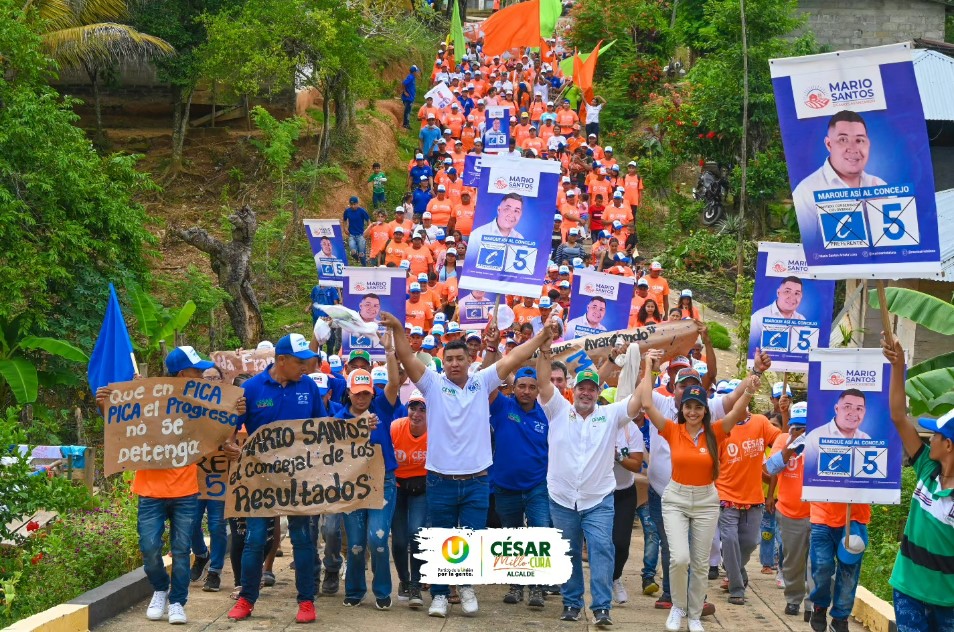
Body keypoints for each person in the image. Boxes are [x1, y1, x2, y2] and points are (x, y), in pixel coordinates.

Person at [379, 310, 551, 618]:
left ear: (468, 360)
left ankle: (468, 587)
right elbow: (406, 356)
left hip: (476, 480)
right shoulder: (432, 385)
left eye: (460, 359)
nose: (455, 364)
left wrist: (542, 336)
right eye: (450, 360)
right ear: (443, 363)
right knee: (443, 537)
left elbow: (515, 358)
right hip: (440, 480)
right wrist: (395, 328)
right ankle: (441, 596)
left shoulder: (482, 382)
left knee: (471, 538)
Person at [95, 346, 241, 625]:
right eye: (197, 371)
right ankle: (161, 588)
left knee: (182, 551)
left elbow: (221, 435)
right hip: (149, 491)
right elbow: (121, 426)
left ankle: (177, 601)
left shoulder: (201, 404)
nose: (202, 375)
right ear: (182, 373)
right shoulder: (147, 397)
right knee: (149, 549)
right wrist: (105, 403)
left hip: (186, 491)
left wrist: (235, 411)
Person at [638, 351, 760, 632]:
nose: (692, 411)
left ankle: (694, 614)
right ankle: (678, 607)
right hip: (676, 499)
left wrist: (752, 385)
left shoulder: (716, 431)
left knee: (701, 563)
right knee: (680, 558)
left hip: (706, 500)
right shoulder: (671, 430)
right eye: (688, 406)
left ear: (705, 410)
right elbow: (646, 401)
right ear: (682, 409)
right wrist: (648, 366)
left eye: (698, 407)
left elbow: (738, 408)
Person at [536, 332, 651, 627]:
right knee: (569, 551)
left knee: (602, 548)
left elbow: (639, 400)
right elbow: (542, 382)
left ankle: (602, 607)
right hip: (562, 499)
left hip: (599, 500)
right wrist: (544, 352)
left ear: (598, 391)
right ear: (573, 390)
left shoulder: (611, 415)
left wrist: (646, 367)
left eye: (592, 388)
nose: (586, 393)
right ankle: (572, 603)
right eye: (582, 388)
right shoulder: (557, 410)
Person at [226, 334, 330, 624]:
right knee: (255, 539)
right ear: (281, 360)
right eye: (299, 362)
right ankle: (247, 598)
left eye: (306, 362)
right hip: (260, 479)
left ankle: (307, 602)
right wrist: (231, 444)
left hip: (299, 479)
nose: (304, 367)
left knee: (303, 539)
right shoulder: (251, 388)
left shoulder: (308, 386)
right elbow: (229, 433)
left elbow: (322, 428)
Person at [882, 337, 954, 632]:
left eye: (935, 435)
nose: (929, 437)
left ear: (948, 445)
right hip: (908, 589)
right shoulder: (927, 466)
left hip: (948, 602)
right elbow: (899, 416)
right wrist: (898, 367)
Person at [333, 338, 400, 610]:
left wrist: (389, 351)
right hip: (352, 486)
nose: (361, 398)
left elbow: (395, 382)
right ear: (348, 392)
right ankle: (355, 588)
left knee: (379, 538)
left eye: (366, 393)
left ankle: (383, 589)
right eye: (357, 392)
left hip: (383, 482)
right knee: (357, 543)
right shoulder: (338, 420)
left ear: (373, 393)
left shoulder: (382, 408)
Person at [488, 366, 551, 610]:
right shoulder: (503, 406)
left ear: (538, 391)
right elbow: (490, 377)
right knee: (511, 537)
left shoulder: (546, 414)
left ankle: (537, 587)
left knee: (540, 534)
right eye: (521, 386)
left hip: (537, 485)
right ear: (513, 388)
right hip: (505, 487)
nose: (526, 391)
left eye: (531, 387)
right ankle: (516, 585)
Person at [715, 400, 781, 606]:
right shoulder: (721, 427)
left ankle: (734, 566)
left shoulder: (761, 422)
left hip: (754, 499)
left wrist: (785, 414)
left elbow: (782, 442)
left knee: (751, 542)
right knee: (729, 540)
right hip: (726, 496)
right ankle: (737, 588)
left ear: (747, 402)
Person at [791, 110, 886, 248]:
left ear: (868, 144)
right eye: (843, 140)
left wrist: (878, 215)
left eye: (859, 140)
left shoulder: (880, 186)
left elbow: (899, 243)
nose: (853, 149)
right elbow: (809, 251)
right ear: (829, 144)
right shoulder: (806, 191)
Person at [764, 401, 812, 618]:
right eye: (795, 426)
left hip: (819, 513)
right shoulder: (784, 440)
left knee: (818, 564)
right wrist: (790, 446)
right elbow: (769, 469)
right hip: (790, 513)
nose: (799, 431)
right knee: (793, 562)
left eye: (804, 427)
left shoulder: (821, 442)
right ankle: (793, 599)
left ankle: (813, 605)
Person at [607, 388, 646, 606]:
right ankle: (601, 582)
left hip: (623, 492)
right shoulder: (598, 424)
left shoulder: (632, 431)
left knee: (621, 543)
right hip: (599, 492)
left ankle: (615, 578)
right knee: (601, 543)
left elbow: (636, 464)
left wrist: (617, 456)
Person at [391, 390, 429, 609]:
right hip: (398, 487)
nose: (417, 413)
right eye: (413, 408)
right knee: (398, 540)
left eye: (423, 409)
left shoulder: (435, 430)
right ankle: (403, 580)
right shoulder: (396, 427)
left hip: (422, 488)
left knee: (416, 533)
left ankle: (416, 582)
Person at [802, 388, 871, 469]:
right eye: (847, 407)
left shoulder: (866, 439)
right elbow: (805, 473)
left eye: (859, 409)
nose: (853, 413)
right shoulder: (815, 437)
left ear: (864, 412)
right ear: (836, 409)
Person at [750, 276, 806, 346]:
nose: (792, 297)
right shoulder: (759, 317)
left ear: (801, 296)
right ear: (778, 293)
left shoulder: (802, 320)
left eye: (797, 293)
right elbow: (751, 347)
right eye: (787, 291)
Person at [343, 197, 371, 266]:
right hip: (351, 235)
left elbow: (368, 220)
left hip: (361, 235)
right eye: (351, 204)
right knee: (353, 252)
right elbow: (344, 220)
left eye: (355, 204)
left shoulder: (362, 211)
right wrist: (345, 228)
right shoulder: (347, 211)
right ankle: (357, 260)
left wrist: (368, 230)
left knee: (362, 254)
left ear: (358, 203)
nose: (353, 206)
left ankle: (364, 266)